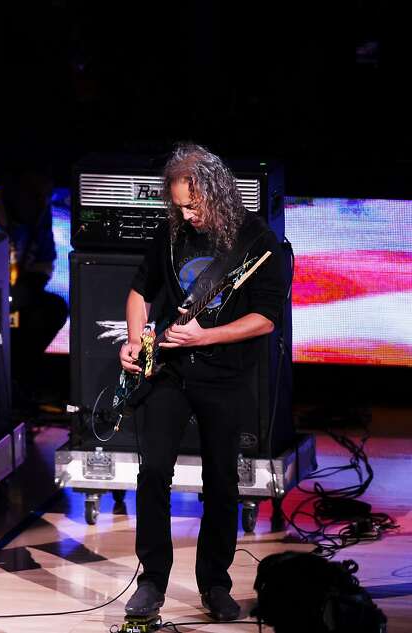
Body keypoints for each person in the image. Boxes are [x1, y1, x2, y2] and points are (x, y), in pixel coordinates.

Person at [118, 144, 287, 622]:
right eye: (179, 205)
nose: (187, 214)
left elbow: (265, 319)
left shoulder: (259, 243)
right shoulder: (171, 235)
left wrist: (205, 335)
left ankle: (214, 583)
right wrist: (136, 343)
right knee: (153, 473)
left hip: (224, 376)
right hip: (169, 372)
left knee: (221, 479)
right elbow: (138, 291)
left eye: (193, 205)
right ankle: (151, 581)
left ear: (219, 195)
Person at [0, 164, 68, 410]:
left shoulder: (38, 212)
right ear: (13, 189)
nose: (42, 203)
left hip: (15, 296)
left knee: (53, 308)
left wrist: (18, 296)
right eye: (34, 195)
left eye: (46, 195)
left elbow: (45, 261)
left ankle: (17, 382)